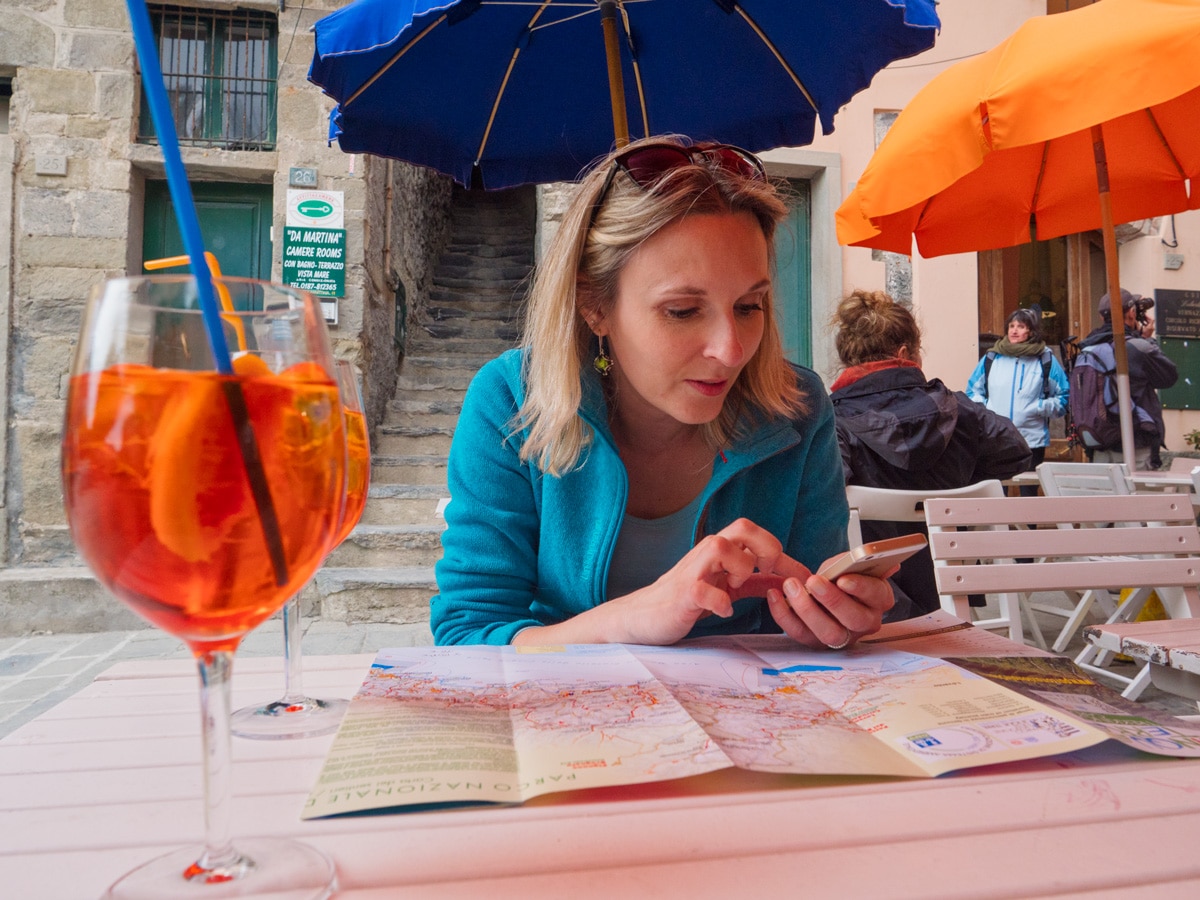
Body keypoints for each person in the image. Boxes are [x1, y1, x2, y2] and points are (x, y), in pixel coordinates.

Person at [431, 136, 894, 650]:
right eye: (682, 311)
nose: (732, 350)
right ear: (594, 306)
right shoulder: (512, 400)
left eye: (749, 306)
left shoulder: (798, 408)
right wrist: (629, 620)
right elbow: (468, 636)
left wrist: (831, 614)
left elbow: (805, 608)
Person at [830, 291, 1031, 619]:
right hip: (953, 591)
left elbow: (824, 509)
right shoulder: (961, 411)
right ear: (905, 353)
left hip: (874, 605)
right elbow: (1018, 453)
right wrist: (954, 480)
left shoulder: (832, 422)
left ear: (849, 360)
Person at [965, 307, 1069, 492]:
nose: (1014, 330)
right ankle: (1001, 523)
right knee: (998, 491)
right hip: (997, 437)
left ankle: (1029, 523)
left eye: (1020, 326)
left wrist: (1040, 407)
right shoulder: (992, 357)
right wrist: (987, 409)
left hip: (1031, 439)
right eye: (1011, 326)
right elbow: (972, 391)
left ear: (1031, 331)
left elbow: (1063, 397)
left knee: (1028, 493)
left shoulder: (1045, 360)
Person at [1079, 289, 1177, 470]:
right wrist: (1147, 340)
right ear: (1132, 313)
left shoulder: (1089, 347)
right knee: (1138, 497)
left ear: (1102, 317)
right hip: (1136, 442)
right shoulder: (1137, 347)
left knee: (1105, 498)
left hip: (1099, 441)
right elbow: (1168, 377)